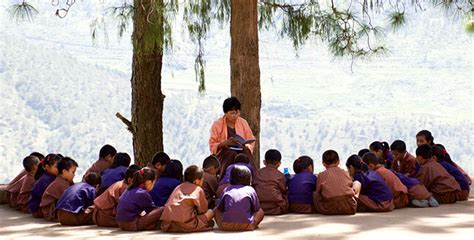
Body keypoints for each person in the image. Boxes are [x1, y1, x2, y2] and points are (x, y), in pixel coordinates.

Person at [209, 97, 256, 180]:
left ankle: (254, 178)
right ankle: (224, 179)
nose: (235, 116)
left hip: (241, 149)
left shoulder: (243, 122)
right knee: (231, 154)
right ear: (225, 113)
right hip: (224, 153)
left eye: (237, 113)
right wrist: (225, 143)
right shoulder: (217, 124)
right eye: (232, 113)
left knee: (246, 154)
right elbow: (212, 144)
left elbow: (250, 139)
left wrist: (247, 145)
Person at [160, 165, 214, 232]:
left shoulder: (178, 187)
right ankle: (202, 224)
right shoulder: (198, 189)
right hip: (186, 224)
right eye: (202, 180)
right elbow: (203, 210)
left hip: (168, 224)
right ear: (196, 181)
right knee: (211, 212)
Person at [214, 165, 264, 231]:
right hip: (247, 225)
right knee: (261, 211)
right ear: (249, 178)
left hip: (226, 225)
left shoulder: (227, 189)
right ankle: (253, 225)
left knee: (215, 209)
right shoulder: (251, 190)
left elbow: (220, 209)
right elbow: (256, 209)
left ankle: (221, 226)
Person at [313, 150, 360, 215]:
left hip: (328, 209)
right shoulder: (346, 173)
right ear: (338, 161)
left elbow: (318, 192)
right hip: (349, 207)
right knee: (357, 183)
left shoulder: (321, 175)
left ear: (323, 163)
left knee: (315, 194)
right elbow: (350, 186)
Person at [253, 149, 288, 215]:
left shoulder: (257, 173)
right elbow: (283, 190)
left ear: (264, 162)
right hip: (276, 208)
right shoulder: (280, 175)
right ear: (279, 164)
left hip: (259, 208)